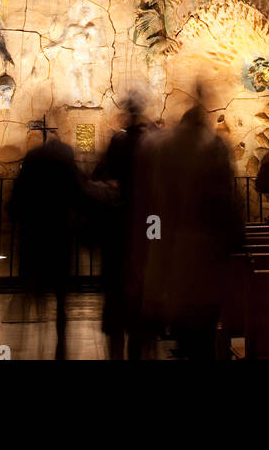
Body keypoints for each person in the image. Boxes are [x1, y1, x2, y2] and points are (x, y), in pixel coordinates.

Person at [139, 98, 245, 359]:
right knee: (204, 336)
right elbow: (234, 222)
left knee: (189, 333)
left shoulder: (167, 155)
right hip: (209, 270)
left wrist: (154, 283)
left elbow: (157, 218)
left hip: (180, 269)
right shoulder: (215, 154)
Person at [9, 124, 82, 359]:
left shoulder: (32, 159)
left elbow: (17, 198)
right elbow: (78, 193)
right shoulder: (65, 159)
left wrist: (15, 216)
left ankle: (26, 344)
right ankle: (61, 345)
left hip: (35, 235)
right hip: (59, 234)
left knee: (34, 291)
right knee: (61, 296)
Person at [92, 93, 151, 359]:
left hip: (118, 231)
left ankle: (117, 351)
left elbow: (99, 176)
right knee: (140, 304)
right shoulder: (151, 144)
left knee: (116, 305)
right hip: (145, 230)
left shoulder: (118, 142)